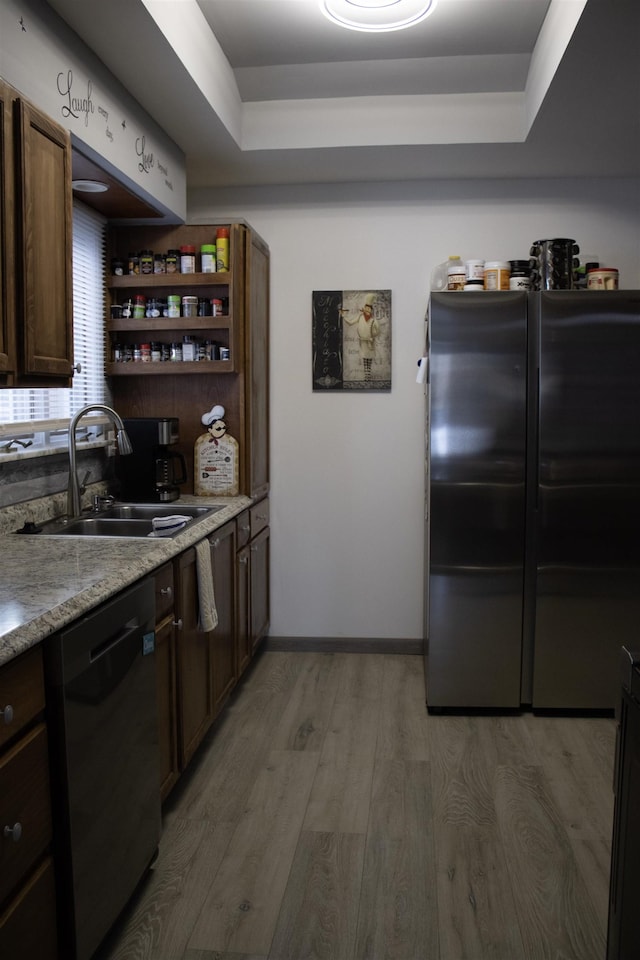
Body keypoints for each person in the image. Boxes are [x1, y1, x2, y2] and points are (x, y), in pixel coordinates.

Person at [342, 292, 380, 381]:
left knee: (369, 358)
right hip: (362, 342)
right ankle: (366, 375)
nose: (367, 310)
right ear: (364, 308)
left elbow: (377, 331)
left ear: (371, 310)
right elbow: (351, 322)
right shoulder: (360, 317)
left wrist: (373, 336)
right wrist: (344, 316)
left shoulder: (373, 320)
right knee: (364, 358)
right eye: (366, 308)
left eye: (369, 309)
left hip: (370, 342)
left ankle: (368, 375)